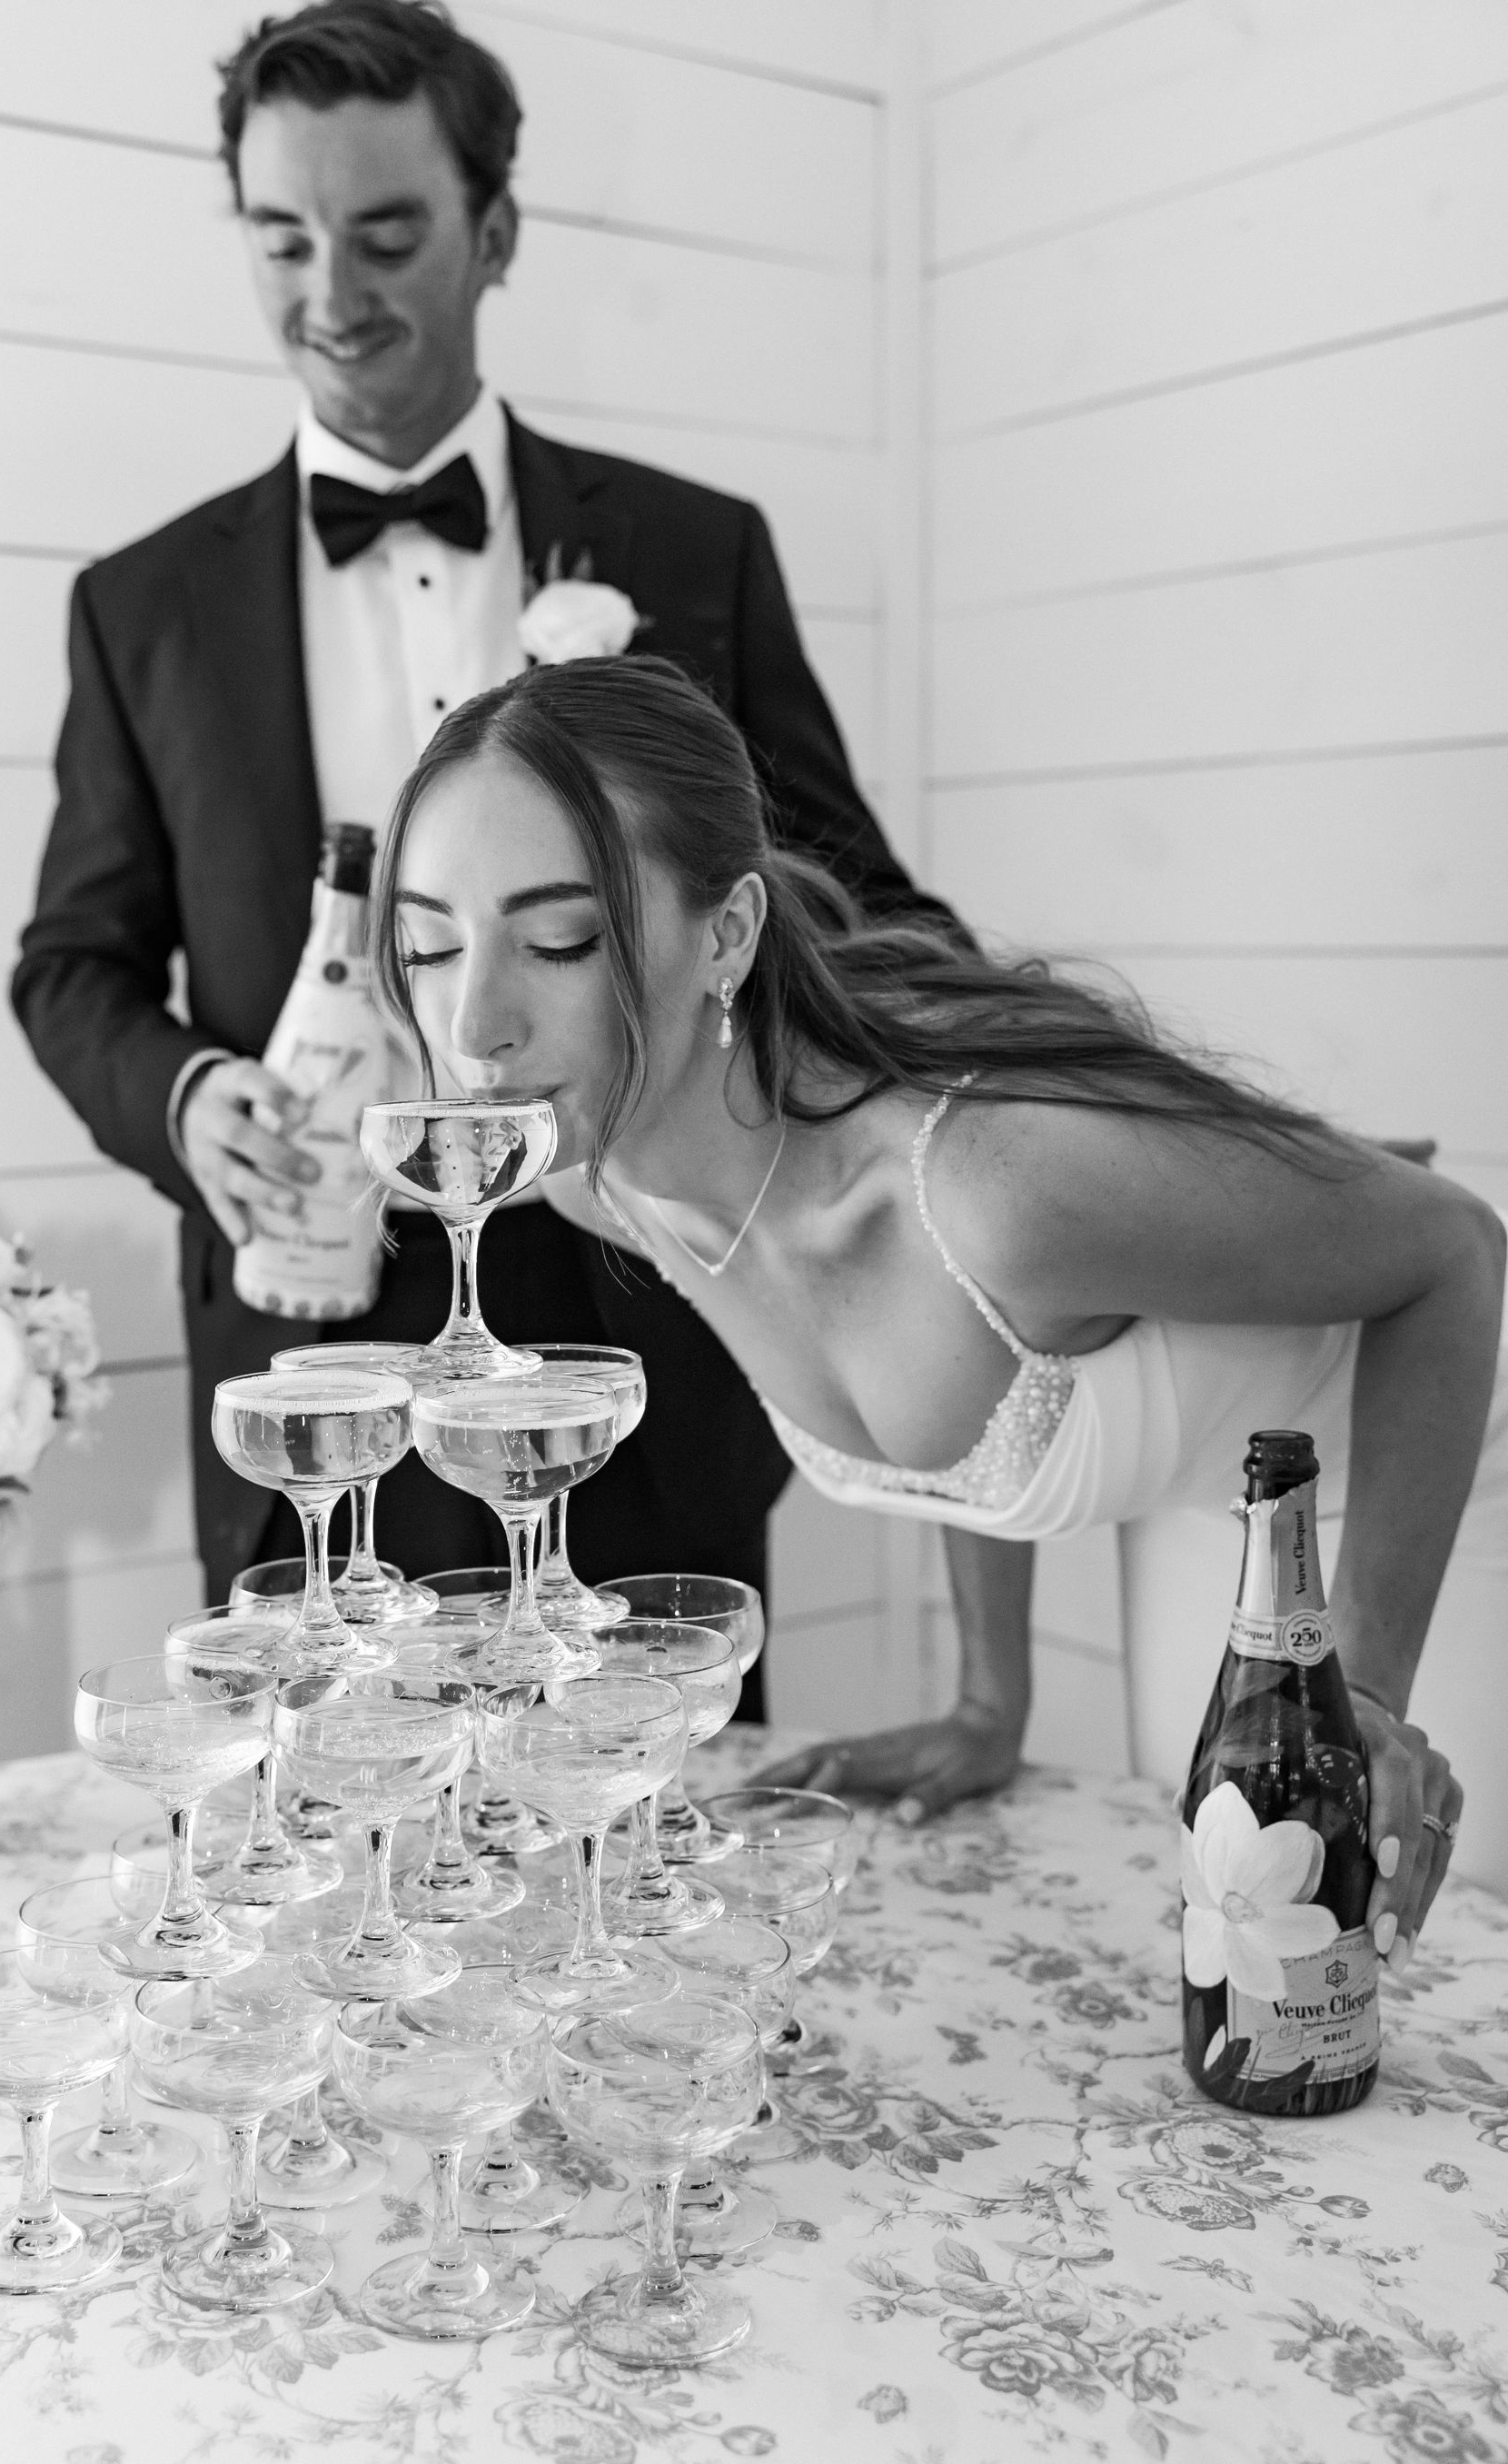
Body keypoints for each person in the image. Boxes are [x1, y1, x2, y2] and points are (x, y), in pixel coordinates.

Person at [10, 0, 965, 1660]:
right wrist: (193, 1102)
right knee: (335, 1812)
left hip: (647, 1343)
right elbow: (71, 967)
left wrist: (1041, 1100)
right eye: (282, 238)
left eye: (386, 236)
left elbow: (852, 901)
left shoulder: (694, 554)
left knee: (643, 1800)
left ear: (496, 232)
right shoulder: (141, 606)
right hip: (315, 1369)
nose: (330, 294)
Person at [369, 651, 1508, 1958]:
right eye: (430, 942)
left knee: (1401, 1945)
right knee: (1236, 1942)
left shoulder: (991, 1189)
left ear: (726, 936)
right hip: (1223, 1487)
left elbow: (1453, 1252)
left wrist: (1360, 1701)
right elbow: (976, 1379)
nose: (473, 1024)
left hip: (1434, 1435)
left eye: (558, 940)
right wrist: (987, 1703)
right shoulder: (599, 1184)